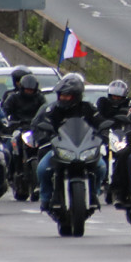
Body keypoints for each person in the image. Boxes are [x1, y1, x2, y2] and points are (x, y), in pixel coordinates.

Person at [33, 73, 106, 212]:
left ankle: (95, 193)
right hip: (60, 149)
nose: (62, 98)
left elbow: (100, 122)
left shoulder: (88, 108)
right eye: (61, 95)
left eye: (67, 95)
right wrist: (43, 134)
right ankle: (46, 198)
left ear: (76, 96)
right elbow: (41, 124)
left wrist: (104, 131)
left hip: (84, 149)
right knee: (42, 169)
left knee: (101, 167)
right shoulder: (52, 110)